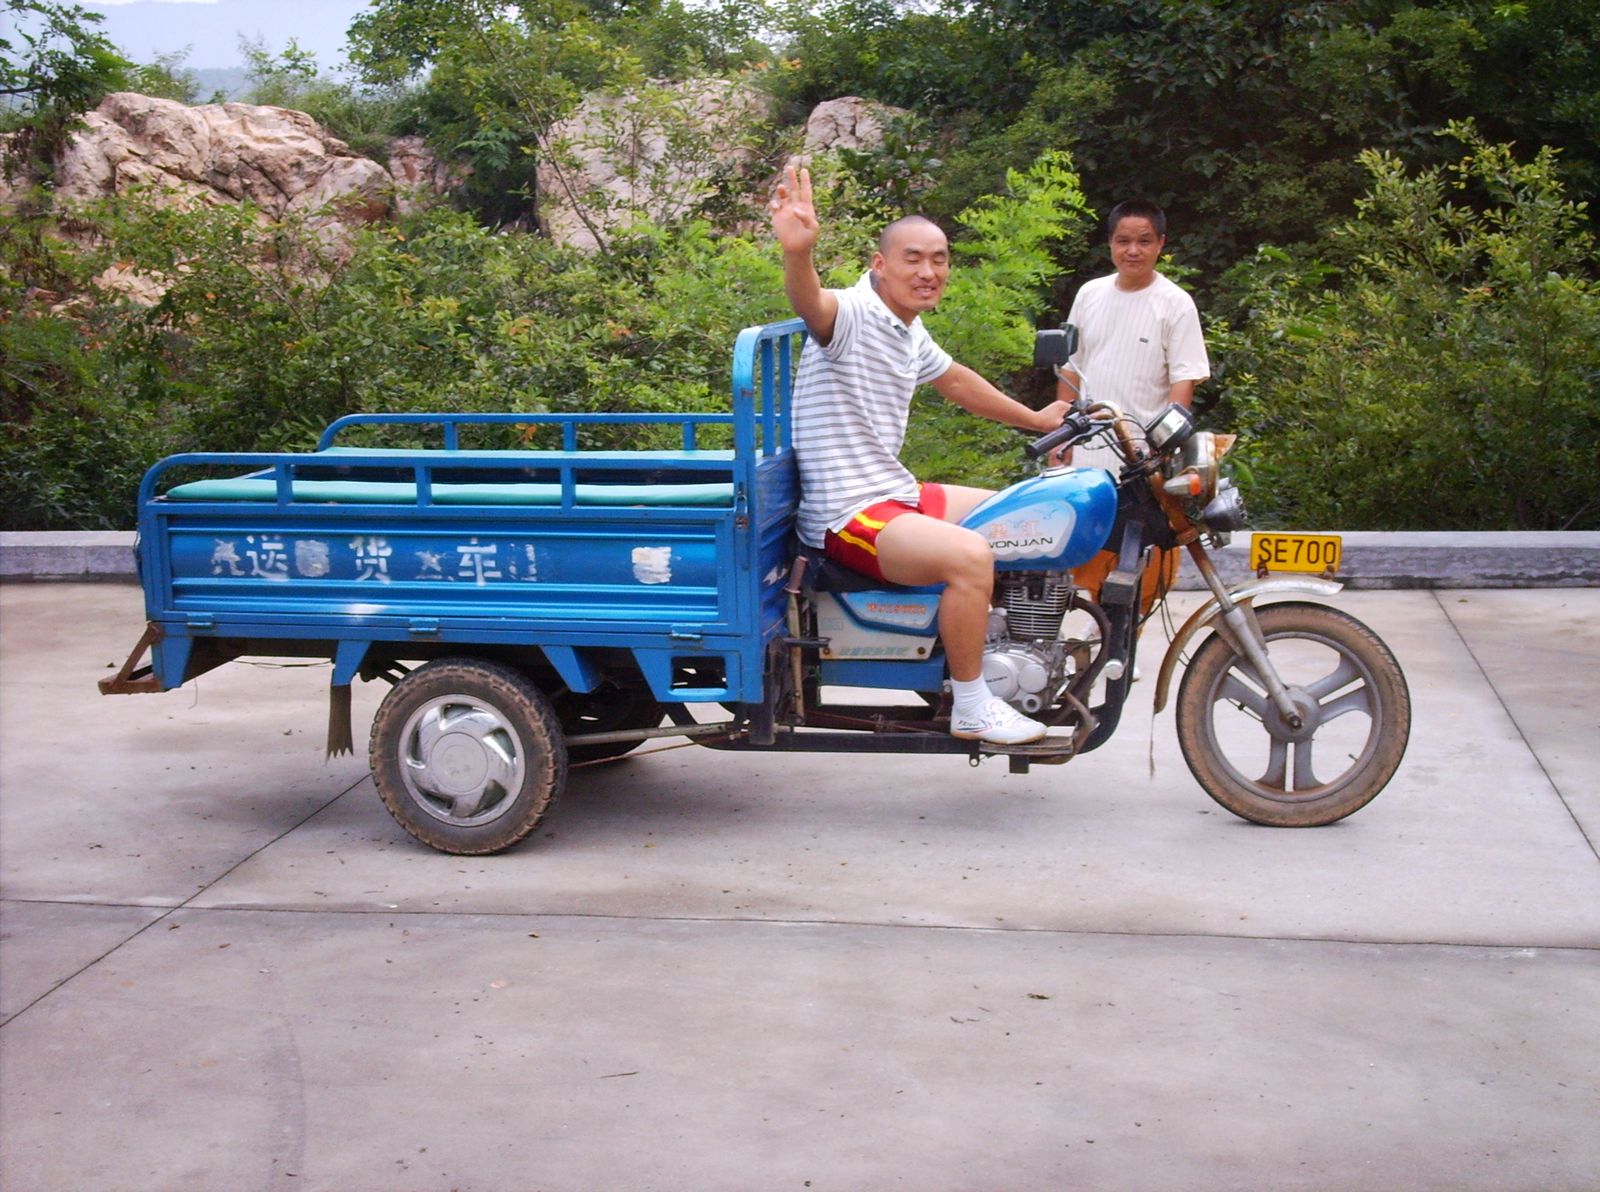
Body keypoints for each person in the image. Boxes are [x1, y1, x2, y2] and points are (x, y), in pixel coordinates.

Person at [769, 162, 1068, 746]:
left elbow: (955, 380)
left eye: (939, 259)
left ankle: (1020, 651)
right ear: (880, 265)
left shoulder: (905, 327)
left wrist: (1038, 420)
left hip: (890, 490)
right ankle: (973, 704)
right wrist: (798, 253)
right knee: (972, 556)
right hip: (846, 513)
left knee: (1034, 513)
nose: (928, 272)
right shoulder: (855, 314)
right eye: (913, 259)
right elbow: (812, 304)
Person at [1058, 199, 1211, 617]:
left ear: (1160, 244)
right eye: (1123, 241)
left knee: (1141, 566)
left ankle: (1124, 642)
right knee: (1080, 564)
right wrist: (1060, 437)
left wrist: (1161, 450)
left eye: (1144, 241)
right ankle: (1083, 640)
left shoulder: (1175, 303)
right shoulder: (1090, 295)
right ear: (1110, 243)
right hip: (1087, 455)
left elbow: (1183, 381)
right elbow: (1070, 369)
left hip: (1142, 461)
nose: (1133, 250)